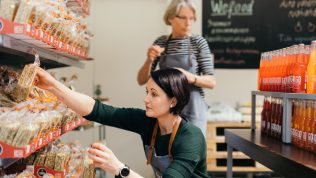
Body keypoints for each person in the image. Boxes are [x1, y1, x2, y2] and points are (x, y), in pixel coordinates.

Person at [35, 67, 209, 178]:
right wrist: (52, 85)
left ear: (173, 101)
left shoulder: (190, 137)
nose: (146, 99)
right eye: (147, 91)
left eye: (154, 94)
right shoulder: (149, 121)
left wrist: (119, 168)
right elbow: (97, 110)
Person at [137, 0, 215, 135]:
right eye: (183, 17)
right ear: (170, 18)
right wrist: (149, 60)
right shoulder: (161, 42)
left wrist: (188, 76)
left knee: (191, 151)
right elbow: (141, 80)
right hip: (166, 109)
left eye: (191, 18)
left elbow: (211, 82)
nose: (188, 23)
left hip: (193, 109)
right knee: (168, 151)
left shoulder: (198, 43)